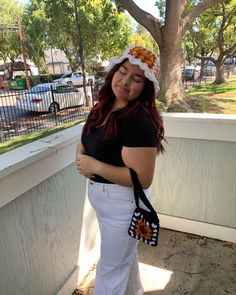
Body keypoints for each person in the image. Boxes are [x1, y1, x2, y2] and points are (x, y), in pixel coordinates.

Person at [76, 45, 165, 295]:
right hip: (105, 204)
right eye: (122, 72)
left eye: (136, 79)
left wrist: (95, 166)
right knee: (123, 261)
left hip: (124, 207)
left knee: (109, 269)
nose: (125, 82)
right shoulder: (103, 106)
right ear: (114, 71)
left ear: (145, 86)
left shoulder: (138, 121)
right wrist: (80, 154)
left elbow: (143, 179)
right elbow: (87, 139)